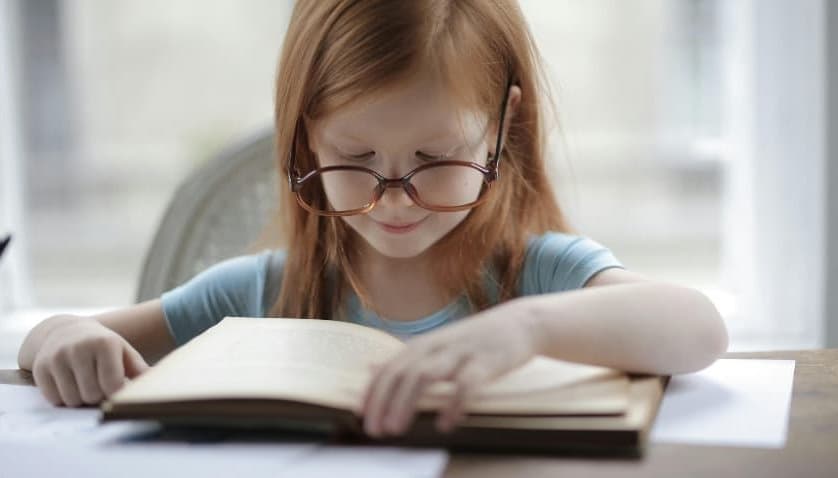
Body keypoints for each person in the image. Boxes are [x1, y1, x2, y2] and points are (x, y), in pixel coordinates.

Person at [17, 0, 728, 439]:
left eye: (435, 157)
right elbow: (60, 339)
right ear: (304, 141)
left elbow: (698, 327)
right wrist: (59, 334)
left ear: (501, 128)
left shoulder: (538, 276)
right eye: (354, 157)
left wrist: (529, 327)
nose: (394, 199)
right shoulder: (259, 292)